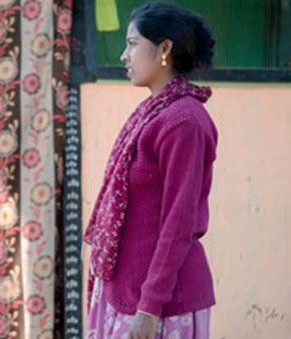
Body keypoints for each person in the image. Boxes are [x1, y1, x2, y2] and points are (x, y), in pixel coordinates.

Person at [83, 2, 217, 338]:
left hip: (161, 305)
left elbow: (179, 222)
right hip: (128, 292)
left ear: (165, 48)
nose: (123, 56)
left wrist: (149, 308)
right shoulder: (153, 113)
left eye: (132, 44)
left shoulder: (183, 121)